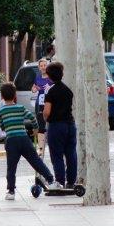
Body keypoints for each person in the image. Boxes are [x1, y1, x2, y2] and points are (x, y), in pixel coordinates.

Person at [0, 82, 60, 200]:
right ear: (15, 95)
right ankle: (51, 181)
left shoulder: (0, 111)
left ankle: (11, 191)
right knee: (36, 161)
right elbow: (32, 117)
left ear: (2, 96)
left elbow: (2, 127)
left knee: (11, 167)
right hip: (24, 139)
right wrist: (36, 129)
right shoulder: (20, 108)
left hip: (11, 141)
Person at [43, 61, 77, 189]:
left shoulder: (50, 91)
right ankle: (71, 182)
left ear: (49, 76)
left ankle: (60, 181)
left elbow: (47, 111)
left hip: (57, 126)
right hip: (70, 125)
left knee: (57, 155)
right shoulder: (68, 90)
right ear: (62, 74)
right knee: (71, 154)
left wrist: (45, 119)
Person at [31, 58, 53, 155]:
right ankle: (41, 150)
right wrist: (34, 89)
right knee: (41, 128)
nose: (43, 67)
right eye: (41, 66)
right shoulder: (38, 78)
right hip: (39, 105)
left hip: (51, 104)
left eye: (45, 65)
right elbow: (33, 89)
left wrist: (49, 87)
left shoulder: (52, 78)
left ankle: (53, 149)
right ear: (39, 68)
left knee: (52, 126)